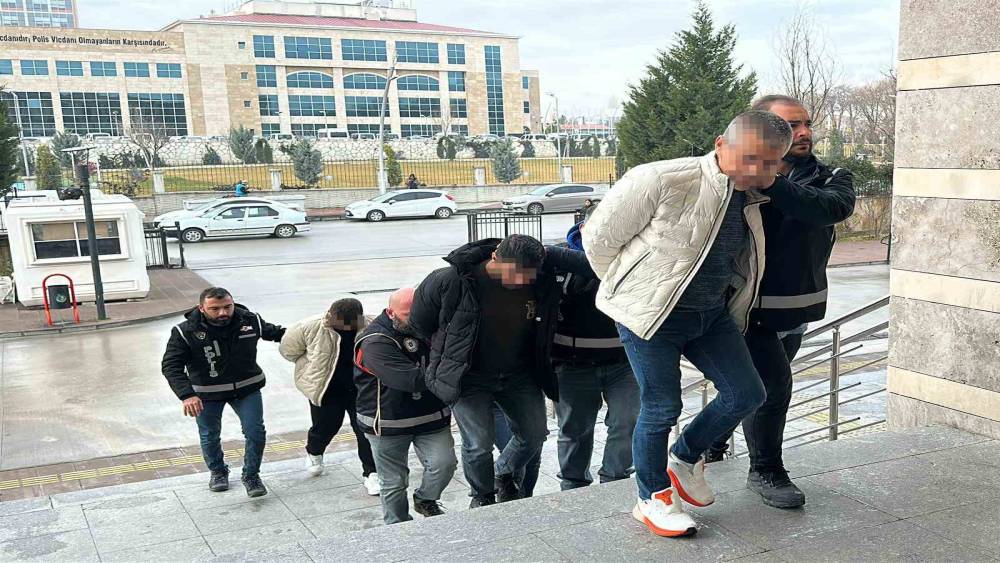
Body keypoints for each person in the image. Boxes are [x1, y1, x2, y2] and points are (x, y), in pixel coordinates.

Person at [583, 110, 793, 537]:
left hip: (711, 314)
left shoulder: (755, 195)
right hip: (651, 314)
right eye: (750, 158)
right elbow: (599, 241)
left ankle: (684, 457)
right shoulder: (661, 178)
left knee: (748, 393)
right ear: (721, 144)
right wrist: (636, 290)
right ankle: (652, 498)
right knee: (661, 407)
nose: (758, 171)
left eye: (771, 163)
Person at [706, 95, 856, 509]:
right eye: (791, 126)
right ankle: (766, 470)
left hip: (794, 310)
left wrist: (769, 180)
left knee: (748, 389)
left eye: (806, 124)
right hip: (744, 309)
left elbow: (829, 208)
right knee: (772, 387)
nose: (804, 133)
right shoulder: (731, 176)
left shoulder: (831, 177)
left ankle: (710, 442)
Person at [409, 234, 592, 508]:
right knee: (478, 444)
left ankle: (502, 471)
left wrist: (552, 254)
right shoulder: (451, 280)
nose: (520, 280)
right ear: (495, 256)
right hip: (467, 377)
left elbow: (595, 266)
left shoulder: (541, 280)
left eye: (527, 274)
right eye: (513, 272)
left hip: (520, 374)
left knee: (534, 434)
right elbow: (420, 324)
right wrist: (448, 358)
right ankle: (482, 496)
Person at [161, 287, 285, 498]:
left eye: (227, 307)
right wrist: (187, 395)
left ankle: (251, 475)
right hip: (206, 394)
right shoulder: (185, 331)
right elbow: (171, 366)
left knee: (255, 433)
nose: (222, 313)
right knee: (209, 435)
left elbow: (279, 334)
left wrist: (312, 332)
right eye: (215, 309)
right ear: (202, 308)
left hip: (247, 389)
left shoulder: (250, 320)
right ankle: (218, 471)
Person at [354, 288, 456, 524]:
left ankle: (426, 498)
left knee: (444, 464)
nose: (417, 319)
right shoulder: (375, 341)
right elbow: (409, 380)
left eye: (420, 312)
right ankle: (398, 527)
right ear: (391, 312)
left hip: (432, 416)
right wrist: (450, 368)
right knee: (394, 482)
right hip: (387, 423)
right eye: (409, 314)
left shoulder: (431, 326)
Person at [555, 206, 639, 491]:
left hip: (625, 363)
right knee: (574, 430)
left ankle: (615, 480)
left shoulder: (632, 255)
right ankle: (573, 485)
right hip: (572, 364)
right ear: (583, 228)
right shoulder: (558, 260)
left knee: (627, 422)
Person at [279, 298, 380, 496]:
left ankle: (371, 473)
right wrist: (310, 368)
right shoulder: (308, 327)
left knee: (365, 432)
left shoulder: (372, 325)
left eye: (351, 324)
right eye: (341, 324)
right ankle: (314, 451)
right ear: (330, 315)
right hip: (326, 389)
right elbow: (288, 351)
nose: (346, 328)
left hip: (361, 389)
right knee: (326, 427)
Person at [492, 406, 541, 497]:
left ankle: (526, 499)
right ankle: (515, 500)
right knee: (515, 460)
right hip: (497, 404)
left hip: (531, 403)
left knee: (532, 458)